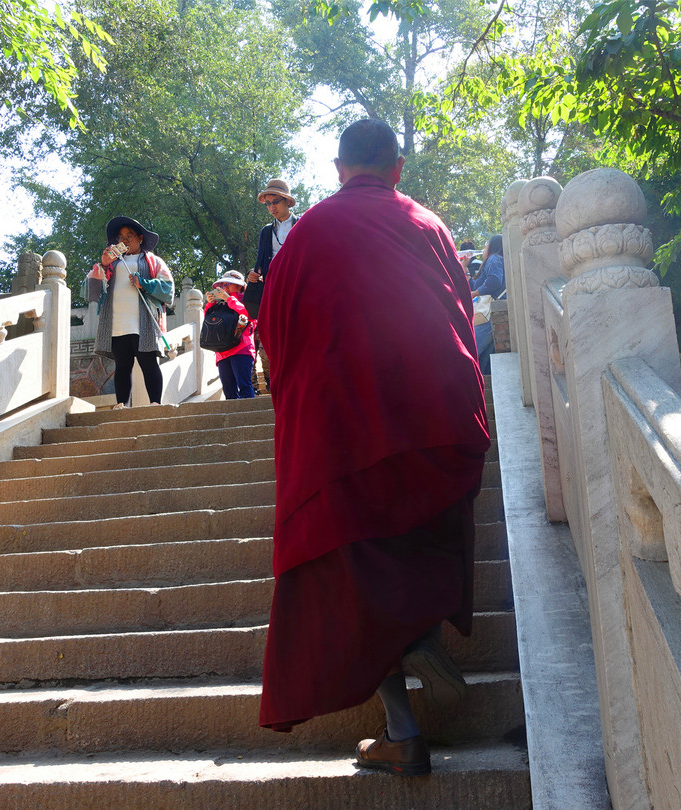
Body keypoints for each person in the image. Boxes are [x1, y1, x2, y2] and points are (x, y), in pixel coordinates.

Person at [257, 119, 490, 777]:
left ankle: (403, 726)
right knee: (411, 537)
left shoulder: (306, 234)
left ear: (338, 169)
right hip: (440, 420)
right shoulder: (431, 226)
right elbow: (461, 317)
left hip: (346, 428)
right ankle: (416, 633)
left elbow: (274, 331)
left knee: (349, 561)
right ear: (398, 166)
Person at [87, 216, 174, 408]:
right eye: (121, 237)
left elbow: (168, 289)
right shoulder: (111, 262)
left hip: (143, 320)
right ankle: (121, 404)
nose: (124, 240)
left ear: (140, 238)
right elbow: (91, 291)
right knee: (122, 365)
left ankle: (155, 403)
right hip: (117, 320)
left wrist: (144, 284)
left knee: (148, 361)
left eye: (129, 235)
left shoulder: (153, 261)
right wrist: (103, 264)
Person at [245, 178, 298, 392]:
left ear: (286, 201)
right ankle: (280, 380)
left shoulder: (301, 224)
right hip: (272, 288)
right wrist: (252, 274)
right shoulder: (267, 231)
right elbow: (259, 263)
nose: (271, 207)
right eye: (268, 203)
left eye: (275, 201)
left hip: (296, 287)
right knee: (275, 336)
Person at [204, 270, 256, 399]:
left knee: (244, 386)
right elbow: (208, 322)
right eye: (222, 284)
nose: (224, 287)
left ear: (240, 286)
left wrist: (229, 299)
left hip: (242, 348)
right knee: (229, 391)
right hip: (222, 352)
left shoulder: (247, 301)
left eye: (228, 284)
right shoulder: (218, 304)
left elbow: (249, 316)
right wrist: (210, 304)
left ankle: (249, 416)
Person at [470, 234, 505, 375]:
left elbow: (494, 281)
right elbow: (475, 285)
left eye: (487, 244)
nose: (484, 247)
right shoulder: (494, 261)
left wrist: (475, 294)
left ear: (493, 246)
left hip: (487, 315)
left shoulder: (494, 259)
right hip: (491, 315)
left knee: (473, 351)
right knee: (483, 359)